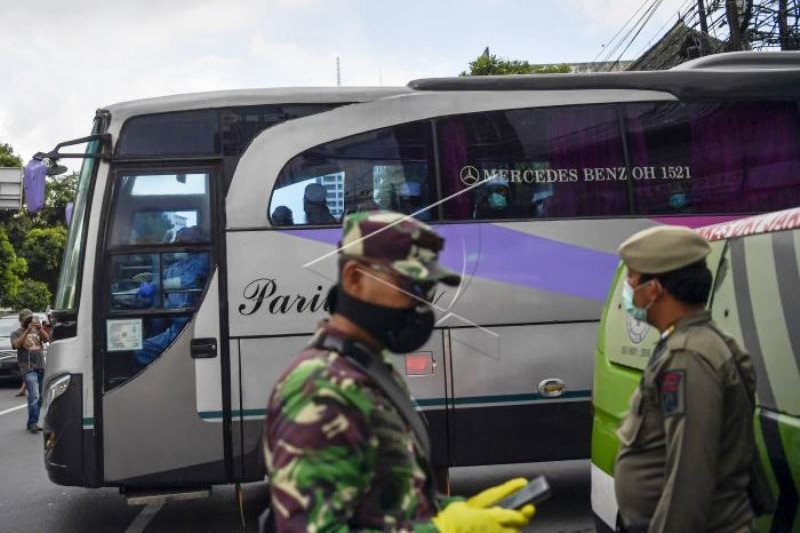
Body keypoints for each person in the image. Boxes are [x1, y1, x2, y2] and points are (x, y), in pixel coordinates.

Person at [263, 210, 535, 531]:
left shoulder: (365, 368)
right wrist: (443, 530)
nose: (422, 307)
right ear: (354, 278)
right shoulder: (318, 388)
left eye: (428, 292)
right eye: (411, 287)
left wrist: (452, 509)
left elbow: (387, 499)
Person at [614, 225, 757, 532]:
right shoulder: (692, 341)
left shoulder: (689, 356)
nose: (627, 288)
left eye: (632, 278)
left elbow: (690, 472)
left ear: (653, 290)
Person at [134, 226, 210, 365]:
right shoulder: (182, 262)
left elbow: (188, 281)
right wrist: (151, 278)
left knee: (143, 349)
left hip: (187, 321)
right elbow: (168, 273)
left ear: (192, 243)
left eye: (180, 241)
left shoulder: (203, 259)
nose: (176, 244)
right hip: (176, 320)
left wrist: (155, 286)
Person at [11, 309, 50, 432]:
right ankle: (33, 423)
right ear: (21, 321)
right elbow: (16, 345)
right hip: (28, 368)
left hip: (40, 366)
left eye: (30, 319)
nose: (29, 321)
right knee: (34, 395)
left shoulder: (36, 330)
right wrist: (27, 331)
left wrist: (40, 329)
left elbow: (47, 339)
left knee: (39, 397)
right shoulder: (16, 333)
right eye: (26, 320)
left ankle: (31, 422)